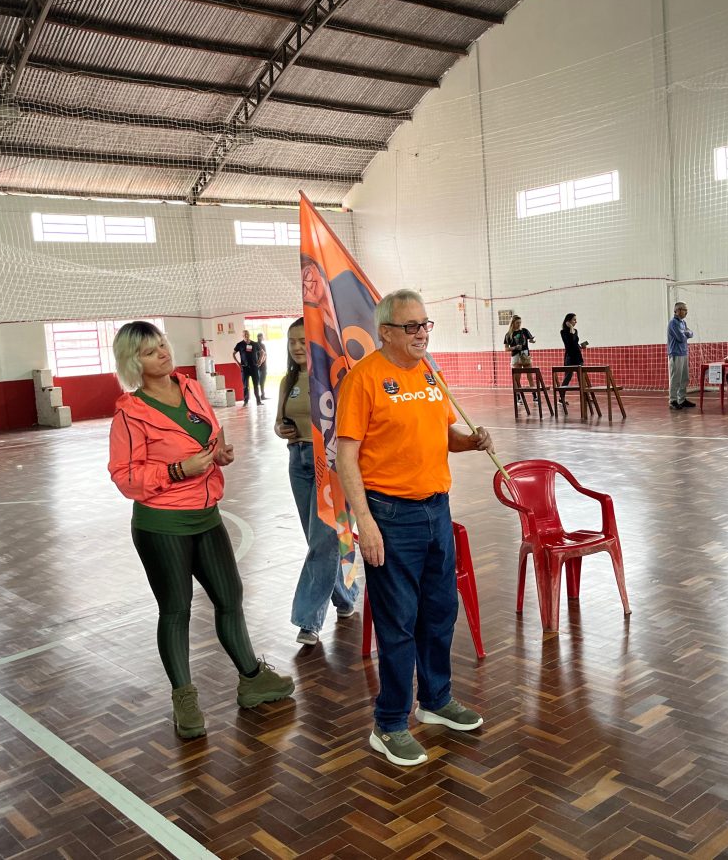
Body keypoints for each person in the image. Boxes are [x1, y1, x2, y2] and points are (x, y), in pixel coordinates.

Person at [108, 321, 294, 739]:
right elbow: (124, 477)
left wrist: (219, 453)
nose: (163, 353)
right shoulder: (130, 412)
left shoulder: (190, 388)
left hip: (207, 514)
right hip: (163, 526)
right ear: (133, 362)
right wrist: (178, 469)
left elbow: (212, 430)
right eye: (151, 350)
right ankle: (185, 698)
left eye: (163, 344)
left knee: (230, 597)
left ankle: (252, 679)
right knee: (176, 610)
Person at [336, 289, 492, 767]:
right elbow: (345, 455)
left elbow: (446, 435)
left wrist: (471, 441)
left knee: (440, 611)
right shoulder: (363, 380)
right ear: (386, 332)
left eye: (426, 325)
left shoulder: (429, 373)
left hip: (435, 510)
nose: (423, 333)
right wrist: (365, 522)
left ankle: (437, 701)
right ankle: (389, 723)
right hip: (389, 514)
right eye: (412, 326)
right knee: (398, 623)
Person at [275, 318, 358, 647]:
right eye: (292, 341)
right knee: (320, 538)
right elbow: (281, 424)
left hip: (332, 465)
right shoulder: (288, 380)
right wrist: (283, 430)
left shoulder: (334, 379)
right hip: (299, 462)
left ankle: (308, 619)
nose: (296, 346)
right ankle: (347, 596)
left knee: (322, 542)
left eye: (302, 340)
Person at [667, 302, 695, 409]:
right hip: (675, 354)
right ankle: (673, 400)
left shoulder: (683, 323)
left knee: (684, 378)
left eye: (686, 310)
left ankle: (682, 399)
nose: (686, 312)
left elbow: (691, 333)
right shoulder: (673, 323)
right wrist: (686, 333)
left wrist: (686, 333)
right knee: (676, 378)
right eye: (684, 310)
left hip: (683, 353)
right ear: (677, 311)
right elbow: (681, 337)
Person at [558, 313, 589, 407]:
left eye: (576, 320)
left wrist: (581, 346)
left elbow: (575, 343)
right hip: (570, 357)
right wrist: (571, 328)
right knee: (567, 377)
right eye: (574, 320)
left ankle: (585, 396)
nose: (576, 322)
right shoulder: (563, 332)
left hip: (578, 356)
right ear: (568, 321)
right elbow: (569, 344)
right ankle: (561, 398)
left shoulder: (576, 331)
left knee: (581, 377)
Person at [232, 330, 262, 406]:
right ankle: (245, 401)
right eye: (244, 334)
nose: (246, 335)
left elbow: (262, 352)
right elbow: (233, 354)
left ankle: (258, 401)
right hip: (244, 368)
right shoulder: (240, 344)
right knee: (245, 386)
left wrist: (260, 361)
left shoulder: (254, 344)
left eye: (247, 334)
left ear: (249, 335)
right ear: (242, 335)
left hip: (254, 367)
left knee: (256, 385)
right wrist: (238, 363)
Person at [256, 333, 269, 401]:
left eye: (261, 336)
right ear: (258, 337)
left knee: (262, 381)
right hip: (258, 366)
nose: (261, 338)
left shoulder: (263, 345)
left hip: (262, 366)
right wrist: (259, 362)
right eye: (260, 336)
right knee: (259, 381)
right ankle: (261, 396)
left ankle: (262, 395)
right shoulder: (255, 345)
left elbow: (265, 355)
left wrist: (261, 362)